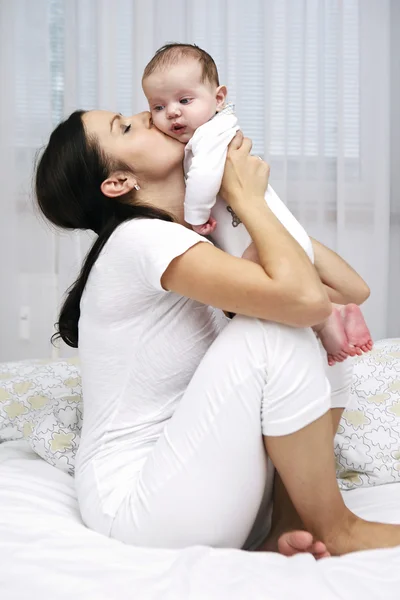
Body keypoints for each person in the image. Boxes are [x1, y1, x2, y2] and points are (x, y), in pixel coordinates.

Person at [35, 107, 400, 558]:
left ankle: (288, 525)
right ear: (118, 183)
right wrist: (247, 200)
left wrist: (245, 204)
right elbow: (306, 301)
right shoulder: (140, 238)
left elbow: (349, 290)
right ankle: (336, 526)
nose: (147, 116)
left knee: (318, 332)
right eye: (125, 127)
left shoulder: (201, 236)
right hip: (137, 508)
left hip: (202, 487)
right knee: (276, 329)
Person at [142, 43, 373, 366]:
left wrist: (195, 216)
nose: (172, 113)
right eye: (158, 107)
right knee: (279, 301)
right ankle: (336, 313)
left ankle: (329, 319)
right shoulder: (207, 136)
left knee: (272, 297)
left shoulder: (209, 135)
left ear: (218, 98)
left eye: (184, 100)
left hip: (262, 236)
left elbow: (207, 176)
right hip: (271, 233)